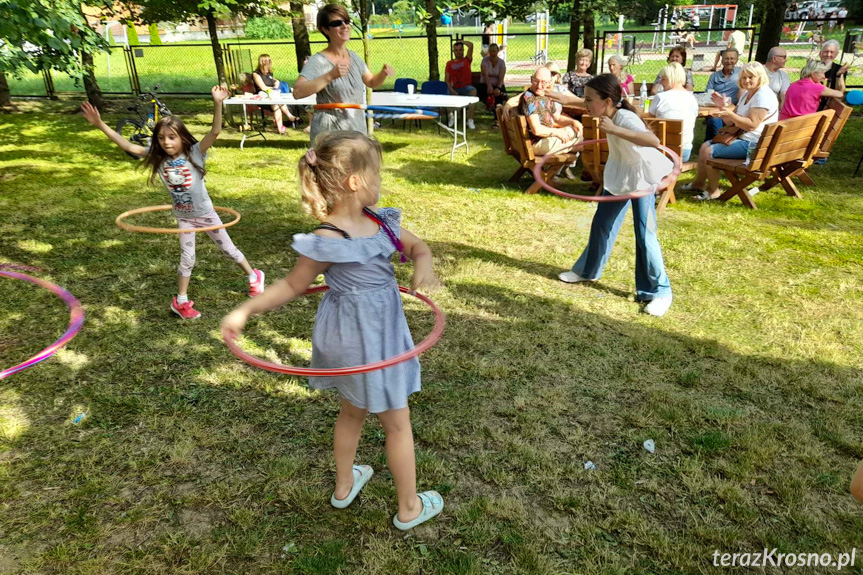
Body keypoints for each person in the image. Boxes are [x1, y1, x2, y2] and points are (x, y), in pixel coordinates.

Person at [221, 131, 444, 531]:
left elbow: (419, 247)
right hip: (373, 341)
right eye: (377, 174)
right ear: (356, 181)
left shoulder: (380, 222)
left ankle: (345, 486)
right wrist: (246, 310)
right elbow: (292, 285)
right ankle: (409, 507)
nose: (381, 183)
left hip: (349, 342)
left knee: (352, 412)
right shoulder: (328, 238)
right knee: (397, 424)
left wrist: (423, 265)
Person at [80, 88, 265, 320]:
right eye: (161, 138)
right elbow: (127, 146)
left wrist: (217, 103)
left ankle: (254, 276)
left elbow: (215, 132)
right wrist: (100, 124)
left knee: (228, 250)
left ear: (182, 137)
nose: (166, 142)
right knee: (187, 259)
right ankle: (181, 301)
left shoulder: (195, 153)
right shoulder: (157, 158)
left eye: (171, 137)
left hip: (206, 214)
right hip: (185, 217)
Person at [558, 74, 674, 317]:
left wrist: (616, 129)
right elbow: (580, 103)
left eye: (590, 100)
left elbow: (652, 140)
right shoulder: (607, 112)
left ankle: (660, 292)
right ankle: (588, 271)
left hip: (642, 177)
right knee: (602, 224)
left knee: (645, 233)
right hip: (619, 175)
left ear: (608, 101)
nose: (586, 104)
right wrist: (554, 95)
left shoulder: (625, 117)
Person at [294, 4, 395, 144]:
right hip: (330, 136)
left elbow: (371, 82)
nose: (344, 26)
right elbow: (298, 92)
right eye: (337, 23)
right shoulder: (318, 61)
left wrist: (382, 74)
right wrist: (330, 76)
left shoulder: (354, 58)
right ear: (325, 30)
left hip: (356, 131)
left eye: (346, 21)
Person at [684, 62, 778, 201]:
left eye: (751, 77)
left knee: (710, 152)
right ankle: (699, 184)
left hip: (755, 144)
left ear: (760, 77)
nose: (746, 81)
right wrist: (723, 107)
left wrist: (729, 113)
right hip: (744, 137)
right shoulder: (748, 93)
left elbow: (752, 125)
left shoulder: (762, 96)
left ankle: (713, 191)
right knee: (705, 146)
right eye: (744, 77)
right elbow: (732, 122)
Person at [518, 66, 583, 156]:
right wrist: (558, 132)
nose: (539, 86)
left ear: (549, 82)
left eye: (543, 82)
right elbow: (537, 130)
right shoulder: (529, 98)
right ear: (531, 79)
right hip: (537, 143)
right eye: (536, 81)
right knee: (585, 142)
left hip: (547, 139)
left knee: (577, 132)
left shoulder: (545, 95)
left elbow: (557, 118)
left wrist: (573, 122)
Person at [649, 63, 699, 162]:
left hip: (662, 150)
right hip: (684, 152)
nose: (661, 83)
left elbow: (650, 123)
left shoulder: (660, 97)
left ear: (671, 79)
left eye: (663, 79)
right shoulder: (692, 99)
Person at [779, 60, 844, 119]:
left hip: (784, 123)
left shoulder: (794, 84)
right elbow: (840, 94)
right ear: (813, 74)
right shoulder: (816, 88)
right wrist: (839, 75)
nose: (824, 77)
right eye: (822, 73)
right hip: (801, 126)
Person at [252, 54, 299, 134]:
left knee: (276, 102)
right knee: (275, 104)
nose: (270, 63)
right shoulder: (256, 74)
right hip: (262, 98)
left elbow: (273, 81)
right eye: (269, 62)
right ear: (263, 63)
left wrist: (276, 83)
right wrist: (275, 89)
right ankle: (287, 120)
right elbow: (263, 87)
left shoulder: (269, 73)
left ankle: (281, 127)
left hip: (273, 97)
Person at [704, 48, 741, 141]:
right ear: (722, 60)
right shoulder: (714, 76)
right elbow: (708, 93)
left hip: (733, 108)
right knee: (714, 120)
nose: (729, 61)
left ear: (736, 60)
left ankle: (717, 142)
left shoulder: (741, 74)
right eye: (726, 58)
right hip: (716, 107)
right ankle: (713, 141)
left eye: (732, 58)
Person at [445, 40, 478, 129]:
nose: (458, 52)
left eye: (460, 50)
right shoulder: (449, 63)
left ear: (463, 50)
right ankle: (451, 117)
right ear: (453, 51)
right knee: (447, 93)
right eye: (456, 50)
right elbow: (447, 80)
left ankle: (470, 120)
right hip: (455, 87)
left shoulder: (467, 60)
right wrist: (452, 90)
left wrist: (461, 41)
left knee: (473, 91)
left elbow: (471, 45)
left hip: (466, 87)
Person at [481, 43, 507, 122]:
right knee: (490, 93)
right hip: (485, 84)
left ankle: (498, 118)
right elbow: (485, 75)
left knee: (498, 94)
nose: (492, 53)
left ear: (497, 51)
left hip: (497, 85)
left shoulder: (501, 62)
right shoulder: (485, 60)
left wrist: (498, 88)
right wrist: (489, 86)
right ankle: (495, 113)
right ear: (489, 52)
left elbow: (501, 77)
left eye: (494, 51)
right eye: (491, 51)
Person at [819, 40, 848, 110]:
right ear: (820, 53)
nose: (828, 55)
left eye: (832, 52)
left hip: (829, 103)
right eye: (826, 51)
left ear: (836, 54)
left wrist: (839, 75)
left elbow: (840, 92)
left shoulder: (839, 69)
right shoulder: (811, 67)